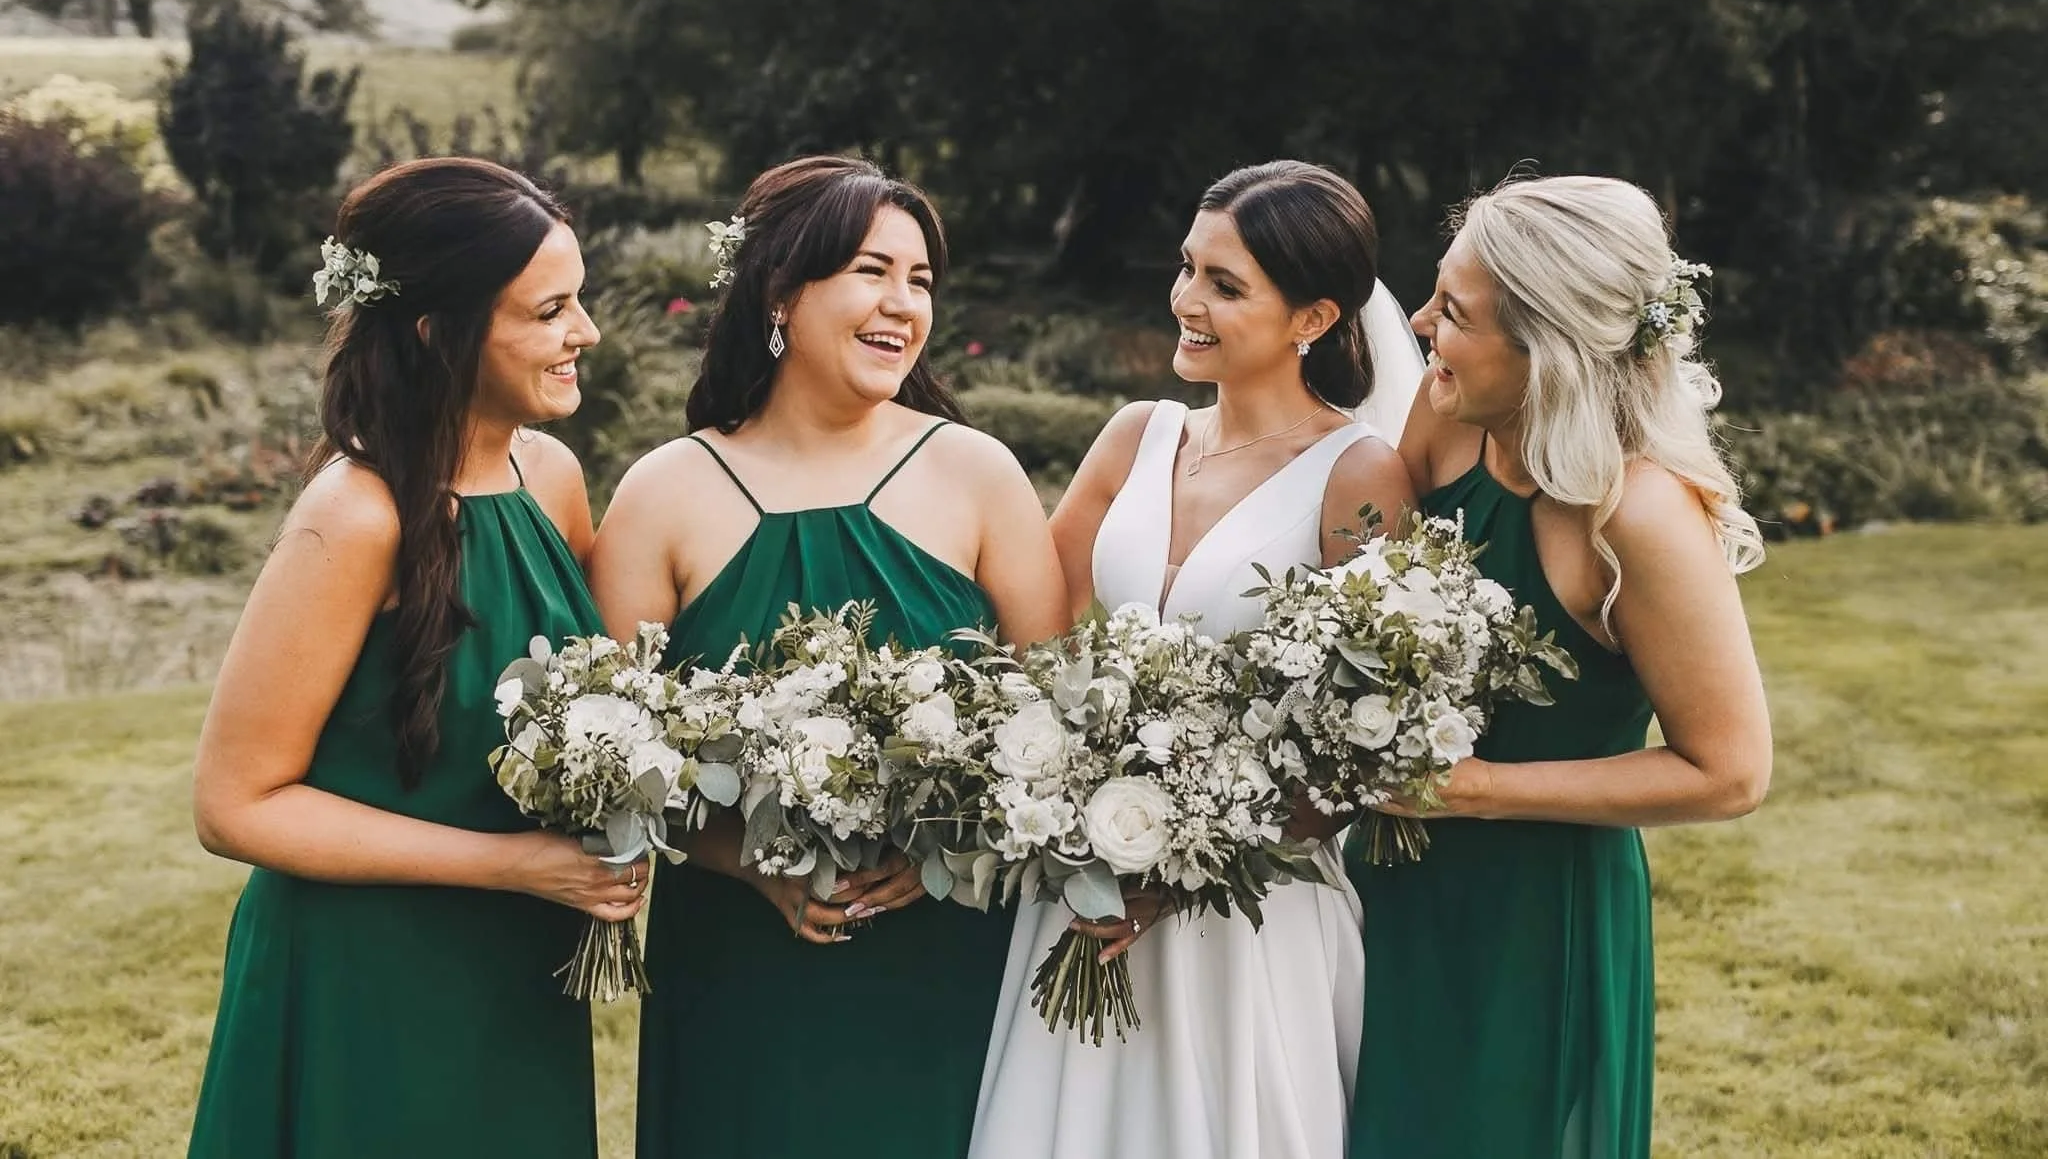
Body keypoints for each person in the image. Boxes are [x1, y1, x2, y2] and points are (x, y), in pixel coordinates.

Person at [590, 155, 1068, 1159]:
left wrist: (946, 850)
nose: (903, 304)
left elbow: (1055, 727)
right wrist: (750, 862)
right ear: (778, 291)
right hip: (739, 963)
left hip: (942, 957)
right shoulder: (663, 493)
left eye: (921, 279)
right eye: (869, 271)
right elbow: (614, 761)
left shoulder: (973, 472)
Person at [188, 158, 640, 1158]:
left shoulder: (551, 477)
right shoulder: (354, 518)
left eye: (581, 302)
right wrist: (510, 866)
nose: (586, 334)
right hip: (364, 976)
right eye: (550, 310)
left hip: (513, 968)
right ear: (441, 333)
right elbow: (234, 803)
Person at [973, 160, 1415, 1159]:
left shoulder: (1356, 473)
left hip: (1249, 909)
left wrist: (1184, 870)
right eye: (1186, 268)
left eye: (1224, 286)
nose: (1185, 302)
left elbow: (1367, 733)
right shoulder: (1138, 435)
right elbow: (1029, 631)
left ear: (1310, 317)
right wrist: (1054, 784)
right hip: (1083, 884)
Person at [1350, 174, 1772, 1159]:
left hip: (1534, 924)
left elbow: (1728, 770)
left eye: (1451, 312)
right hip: (1387, 884)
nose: (1415, 324)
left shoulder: (1637, 518)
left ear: (1547, 353)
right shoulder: (1447, 416)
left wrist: (1472, 789)